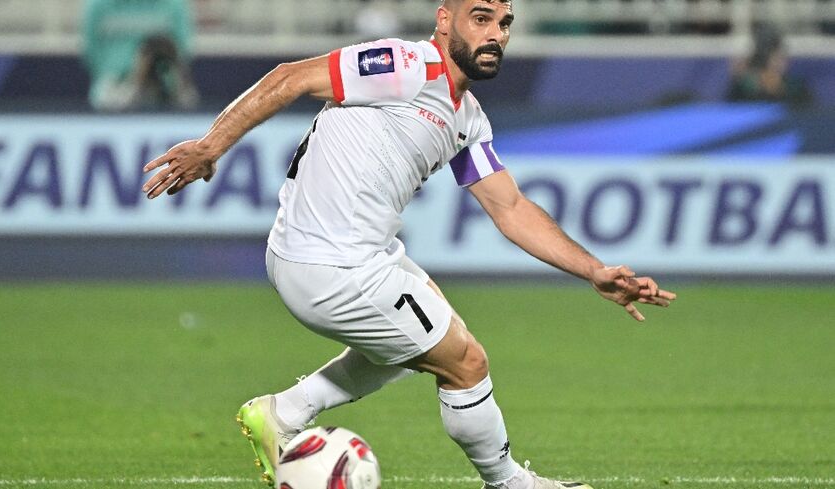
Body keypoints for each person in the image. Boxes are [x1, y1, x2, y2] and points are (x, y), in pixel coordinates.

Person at [142, 1, 677, 488]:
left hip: (347, 254)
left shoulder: (467, 119)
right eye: (482, 18)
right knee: (465, 361)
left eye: (505, 23)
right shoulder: (405, 66)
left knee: (426, 327)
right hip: (330, 264)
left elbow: (509, 208)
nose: (496, 35)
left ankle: (284, 412)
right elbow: (291, 77)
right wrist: (211, 146)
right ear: (445, 20)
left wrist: (594, 271)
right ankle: (510, 483)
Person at [82, 0, 199, 111]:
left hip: (164, 87)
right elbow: (91, 49)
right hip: (114, 85)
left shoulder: (173, 4)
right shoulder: (99, 4)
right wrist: (117, 77)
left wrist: (168, 81)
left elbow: (182, 49)